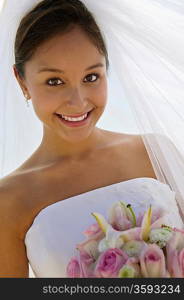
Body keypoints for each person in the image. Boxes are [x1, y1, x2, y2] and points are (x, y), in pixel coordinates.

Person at [0, 0, 183, 278]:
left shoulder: (152, 151)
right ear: (22, 81)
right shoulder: (9, 200)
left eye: (91, 76)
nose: (78, 101)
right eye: (54, 81)